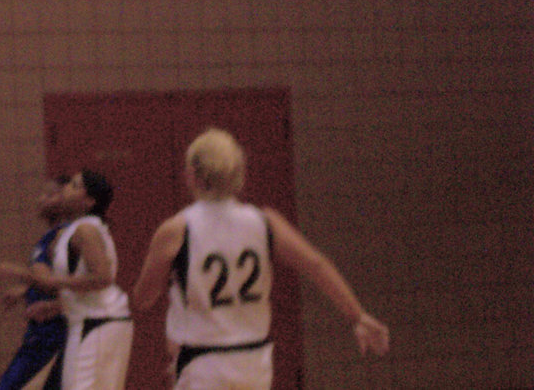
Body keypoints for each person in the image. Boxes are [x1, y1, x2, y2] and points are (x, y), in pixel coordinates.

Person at [131, 127, 390, 390]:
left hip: (203, 361)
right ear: (237, 174)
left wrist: (172, 279)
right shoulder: (265, 222)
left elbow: (143, 299)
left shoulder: (176, 229)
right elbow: (316, 264)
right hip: (254, 361)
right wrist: (358, 315)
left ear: (191, 176)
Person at [0, 170, 132, 390]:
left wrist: (41, 280)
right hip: (86, 320)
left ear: (88, 201)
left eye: (74, 185)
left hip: (99, 321)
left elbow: (103, 277)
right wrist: (55, 305)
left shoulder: (86, 229)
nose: (65, 189)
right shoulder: (70, 231)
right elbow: (84, 284)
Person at [0, 178, 68, 390]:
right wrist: (27, 290)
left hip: (54, 331)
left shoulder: (65, 235)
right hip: (42, 331)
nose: (41, 199)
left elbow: (63, 283)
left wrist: (19, 273)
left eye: (50, 194)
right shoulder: (51, 235)